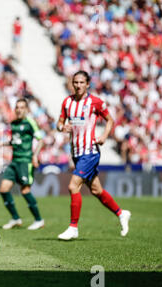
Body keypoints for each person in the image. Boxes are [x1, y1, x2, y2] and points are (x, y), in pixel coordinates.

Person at [56, 70, 131, 240]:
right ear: (72, 84)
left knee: (73, 186)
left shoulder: (95, 102)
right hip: (76, 153)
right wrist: (62, 127)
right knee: (96, 190)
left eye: (82, 82)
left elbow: (110, 120)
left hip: (90, 152)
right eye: (76, 82)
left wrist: (104, 137)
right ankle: (121, 213)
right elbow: (59, 123)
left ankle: (73, 227)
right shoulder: (67, 102)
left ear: (88, 84)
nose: (78, 85)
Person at [0, 98, 44, 230]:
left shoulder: (30, 123)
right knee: (3, 189)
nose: (19, 110)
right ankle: (15, 218)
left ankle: (38, 220)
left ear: (26, 109)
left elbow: (40, 140)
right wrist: (2, 144)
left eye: (22, 107)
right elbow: (15, 141)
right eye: (17, 107)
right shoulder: (13, 124)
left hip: (25, 161)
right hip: (14, 161)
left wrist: (35, 156)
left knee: (25, 191)